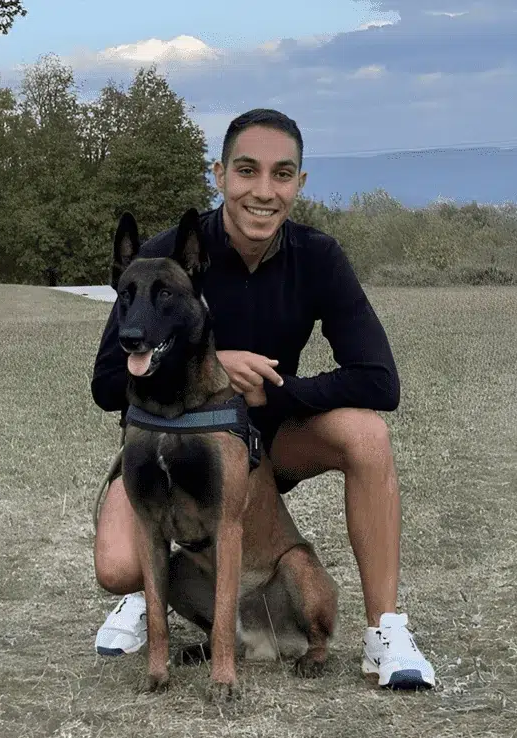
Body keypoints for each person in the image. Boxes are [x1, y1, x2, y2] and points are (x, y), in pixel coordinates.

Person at [90, 108, 436, 690]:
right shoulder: (167, 255)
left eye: (282, 174)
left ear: (300, 184)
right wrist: (210, 366)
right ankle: (153, 595)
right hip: (175, 438)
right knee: (117, 566)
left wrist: (276, 389)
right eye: (247, 171)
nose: (263, 191)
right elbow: (106, 384)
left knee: (368, 435)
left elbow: (380, 381)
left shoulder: (318, 257)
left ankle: (385, 632)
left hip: (271, 439)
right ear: (220, 173)